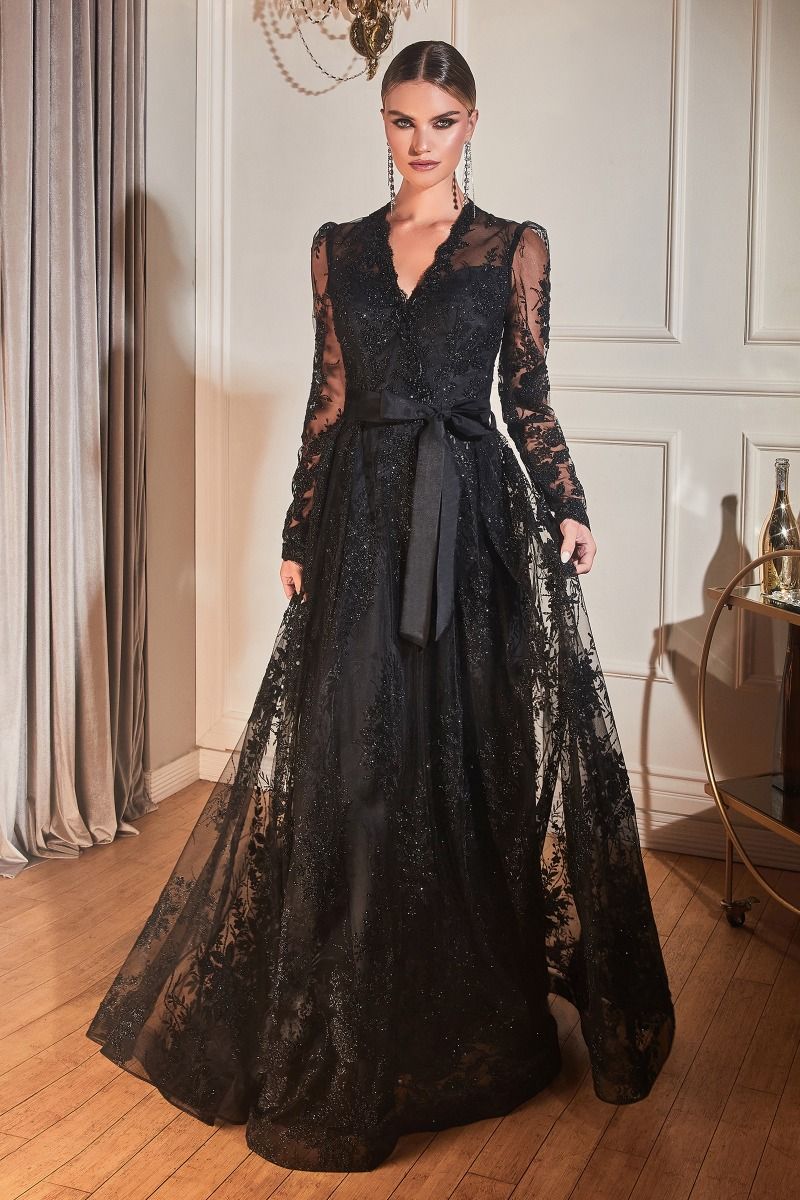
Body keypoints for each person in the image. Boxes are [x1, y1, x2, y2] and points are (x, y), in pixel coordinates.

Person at [86, 39, 675, 1174]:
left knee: (465, 765)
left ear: (471, 125)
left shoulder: (511, 246)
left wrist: (567, 503)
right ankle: (346, 996)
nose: (420, 140)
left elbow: (525, 391)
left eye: (441, 120)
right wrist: (297, 530)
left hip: (470, 528)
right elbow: (330, 394)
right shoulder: (339, 249)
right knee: (355, 762)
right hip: (359, 523)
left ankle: (463, 1010)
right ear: (383, 124)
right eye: (403, 119)